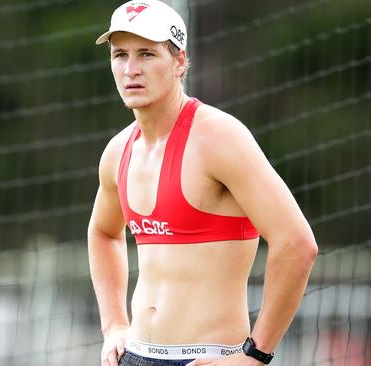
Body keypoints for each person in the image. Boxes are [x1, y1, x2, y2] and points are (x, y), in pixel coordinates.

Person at [87, 1, 318, 365]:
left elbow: (298, 244)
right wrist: (114, 324)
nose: (130, 69)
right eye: (120, 55)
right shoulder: (118, 151)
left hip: (210, 358)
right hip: (134, 355)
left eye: (146, 54)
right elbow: (103, 233)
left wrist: (254, 356)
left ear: (180, 62)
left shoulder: (218, 138)